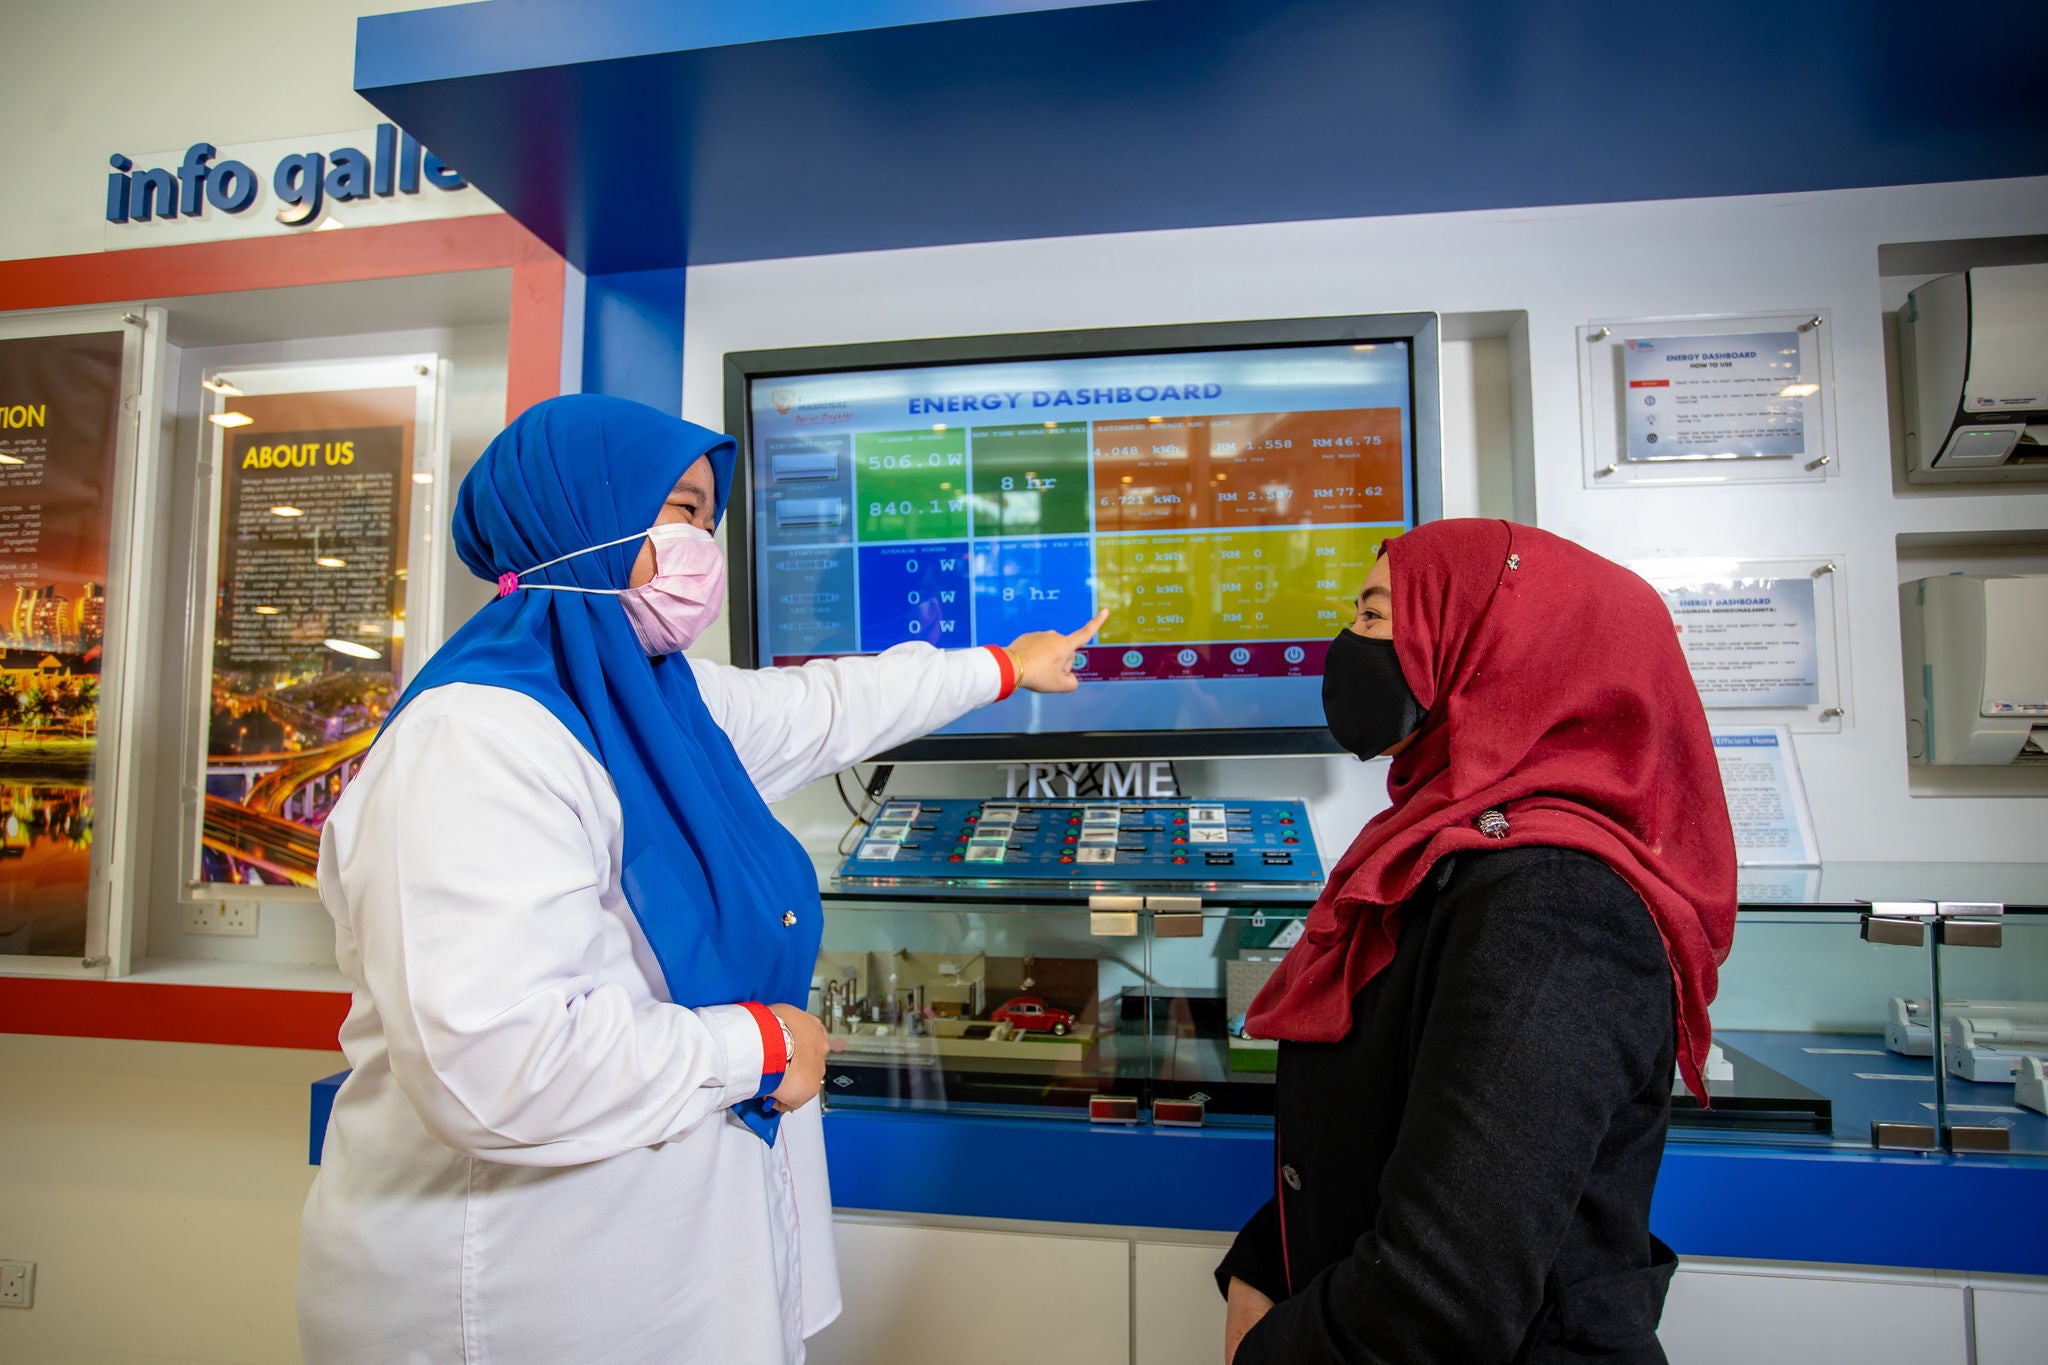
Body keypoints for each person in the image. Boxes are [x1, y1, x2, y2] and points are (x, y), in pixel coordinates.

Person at [298, 394, 1105, 1365]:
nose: (701, 548)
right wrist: (756, 1045)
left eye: (707, 521)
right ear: (582, 512)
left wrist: (1004, 667)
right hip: (516, 1296)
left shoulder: (661, 699)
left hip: (672, 1278)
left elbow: (828, 704)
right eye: (681, 509)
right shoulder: (472, 741)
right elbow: (494, 1064)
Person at [1219, 518, 1735, 1365]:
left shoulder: (1557, 906)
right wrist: (1262, 1260)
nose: (1349, 642)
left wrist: (1264, 1356)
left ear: (1493, 648)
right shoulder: (1442, 848)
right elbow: (1382, 1130)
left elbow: (1442, 1293)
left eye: (1374, 616)